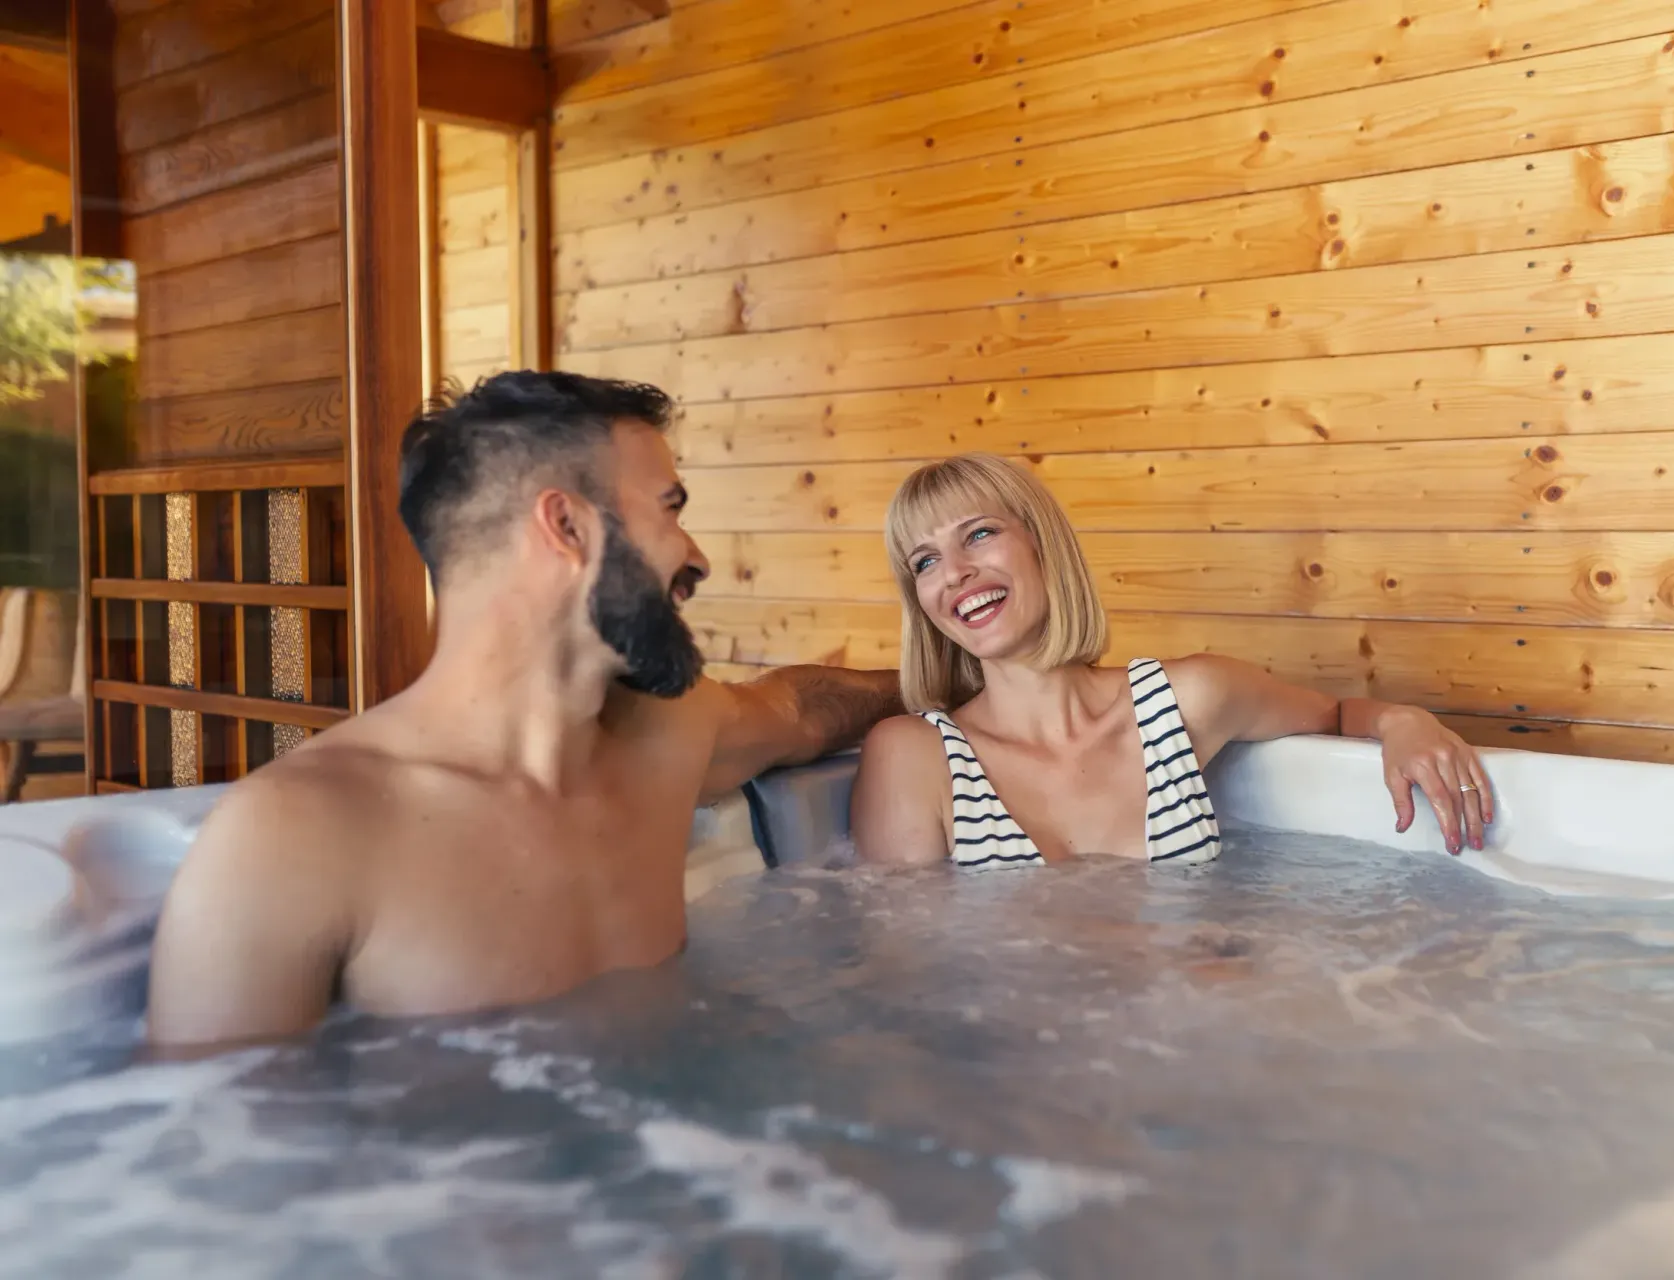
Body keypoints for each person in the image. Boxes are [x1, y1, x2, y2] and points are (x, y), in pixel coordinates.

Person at [146, 373, 902, 1049]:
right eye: (669, 510)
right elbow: (220, 1168)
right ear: (567, 527)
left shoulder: (671, 730)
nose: (696, 556)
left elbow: (802, 710)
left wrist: (945, 677)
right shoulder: (295, 836)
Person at [850, 453, 1493, 870]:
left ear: (1044, 544)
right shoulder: (914, 755)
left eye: (979, 534)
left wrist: (1403, 723)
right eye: (925, 562)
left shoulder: (1186, 700)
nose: (956, 574)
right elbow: (910, 981)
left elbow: (1340, 713)